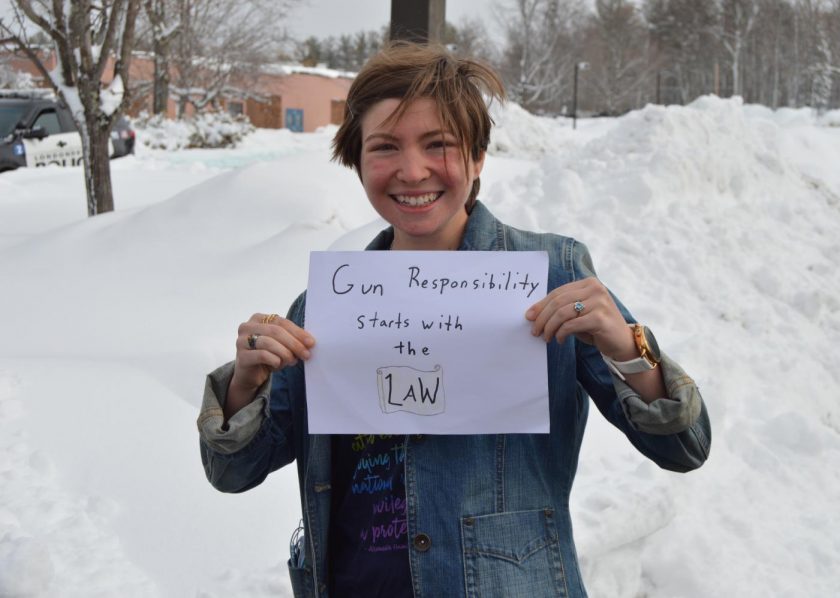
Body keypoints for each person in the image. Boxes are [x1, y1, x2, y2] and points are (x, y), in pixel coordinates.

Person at [197, 42, 711, 598]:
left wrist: (626, 347)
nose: (412, 171)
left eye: (437, 144)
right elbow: (233, 472)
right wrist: (246, 383)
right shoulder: (328, 306)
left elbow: (684, 446)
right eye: (385, 147)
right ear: (357, 159)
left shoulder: (551, 278)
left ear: (477, 156)